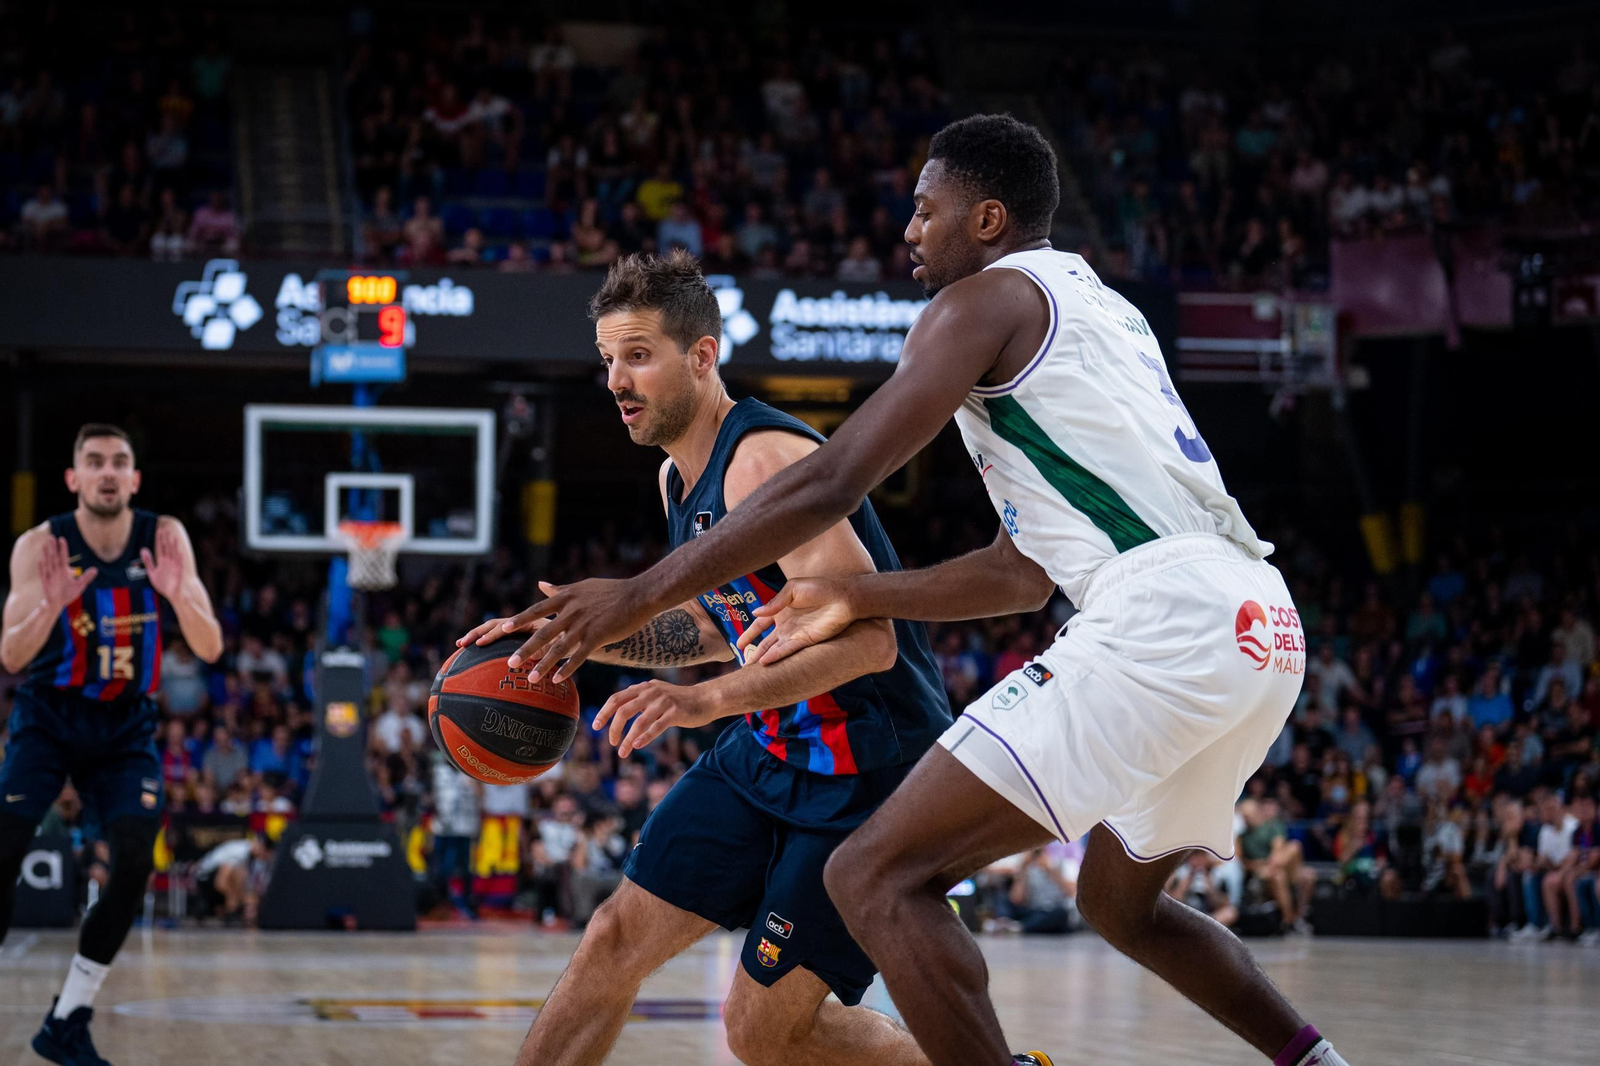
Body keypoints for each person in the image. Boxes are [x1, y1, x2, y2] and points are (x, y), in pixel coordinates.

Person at [506, 114, 1341, 1066]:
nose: (908, 230)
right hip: (1258, 621)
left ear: (987, 221)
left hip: (1157, 619)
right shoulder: (1106, 309)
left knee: (878, 875)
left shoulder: (979, 303)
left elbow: (831, 481)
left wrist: (637, 596)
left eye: (925, 209)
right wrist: (863, 597)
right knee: (1122, 908)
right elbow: (1021, 573)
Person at [458, 251, 950, 1066]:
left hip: (868, 772)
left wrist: (702, 702)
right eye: (608, 359)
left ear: (703, 356)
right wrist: (568, 640)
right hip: (767, 751)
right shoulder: (673, 479)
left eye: (638, 356)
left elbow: (870, 641)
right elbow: (727, 620)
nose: (617, 380)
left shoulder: (762, 460)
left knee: (763, 1032)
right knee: (614, 937)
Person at [0, 423, 222, 1066]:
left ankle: (68, 1016)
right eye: (92, 461)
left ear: (134, 479)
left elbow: (209, 648)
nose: (105, 472)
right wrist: (52, 605)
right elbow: (11, 654)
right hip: (49, 715)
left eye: (118, 462)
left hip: (126, 725)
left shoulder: (165, 537)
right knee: (5, 845)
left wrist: (178, 592)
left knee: (132, 860)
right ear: (72, 478)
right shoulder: (40, 546)